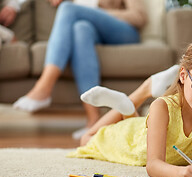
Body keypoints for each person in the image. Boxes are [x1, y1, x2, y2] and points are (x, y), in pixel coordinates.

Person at [68, 38, 192, 177]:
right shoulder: (162, 107)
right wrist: (180, 174)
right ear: (183, 75)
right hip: (129, 141)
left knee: (130, 118)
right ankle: (142, 91)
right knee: (86, 139)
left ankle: (126, 106)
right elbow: (153, 165)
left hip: (144, 128)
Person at [12, 0, 147, 139]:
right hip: (92, 29)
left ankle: (44, 87)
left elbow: (139, 16)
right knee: (81, 29)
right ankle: (94, 120)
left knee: (68, 8)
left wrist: (96, 12)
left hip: (124, 31)